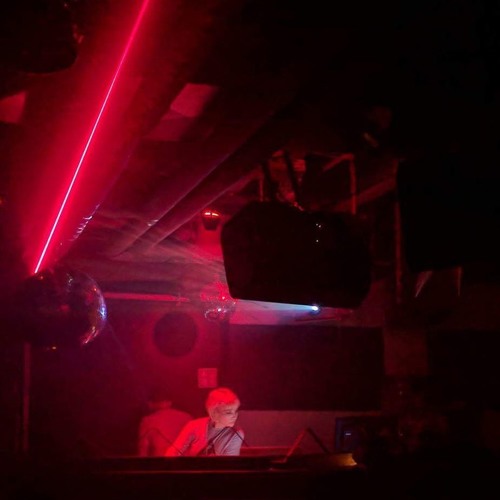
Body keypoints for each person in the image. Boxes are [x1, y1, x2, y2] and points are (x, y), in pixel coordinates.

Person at [165, 387, 244, 457]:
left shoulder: (236, 433)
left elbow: (229, 465)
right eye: (228, 412)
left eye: (236, 411)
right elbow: (173, 453)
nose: (235, 416)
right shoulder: (194, 426)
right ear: (214, 413)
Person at [137, 387, 192, 457]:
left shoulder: (147, 421)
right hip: (185, 462)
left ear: (150, 403)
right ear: (170, 402)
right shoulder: (187, 417)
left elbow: (143, 451)